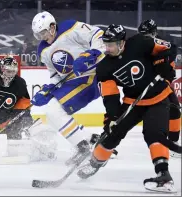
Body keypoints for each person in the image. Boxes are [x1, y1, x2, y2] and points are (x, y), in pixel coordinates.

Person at [75, 24, 178, 193]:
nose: (107, 48)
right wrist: (111, 118)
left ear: (122, 42)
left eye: (111, 44)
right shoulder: (104, 67)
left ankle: (164, 176)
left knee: (154, 134)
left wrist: (163, 66)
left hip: (158, 97)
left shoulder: (140, 42)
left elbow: (169, 48)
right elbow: (110, 96)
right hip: (133, 102)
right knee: (112, 133)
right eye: (105, 44)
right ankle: (94, 163)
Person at [31, 11, 110, 163]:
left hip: (91, 76)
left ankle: (83, 148)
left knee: (54, 110)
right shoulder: (43, 50)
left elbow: (98, 34)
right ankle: (88, 139)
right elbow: (56, 75)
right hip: (73, 81)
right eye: (38, 35)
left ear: (52, 27)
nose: (42, 37)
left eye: (43, 33)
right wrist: (47, 89)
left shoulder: (70, 28)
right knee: (52, 115)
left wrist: (92, 54)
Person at [138, 19, 181, 158]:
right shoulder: (136, 47)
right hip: (142, 87)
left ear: (154, 33)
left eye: (148, 34)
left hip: (162, 86)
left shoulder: (162, 46)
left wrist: (167, 74)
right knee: (123, 115)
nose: (145, 37)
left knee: (174, 109)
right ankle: (107, 142)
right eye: (143, 34)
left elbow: (171, 57)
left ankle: (173, 143)